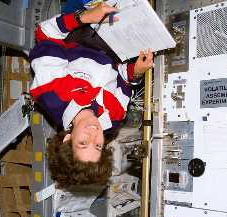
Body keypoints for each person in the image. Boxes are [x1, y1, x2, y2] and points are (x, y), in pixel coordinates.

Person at [29, 2, 153, 188]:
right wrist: (136, 72)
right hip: (119, 44)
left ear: (68, 139)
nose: (94, 136)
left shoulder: (50, 93)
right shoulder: (112, 120)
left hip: (80, 28)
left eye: (83, 142)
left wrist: (84, 17)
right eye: (97, 146)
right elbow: (124, 80)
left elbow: (47, 33)